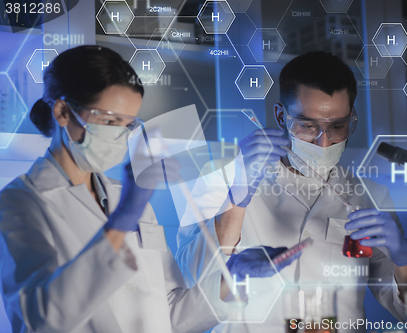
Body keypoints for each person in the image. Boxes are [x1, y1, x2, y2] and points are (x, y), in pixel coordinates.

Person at [0, 45, 299, 333]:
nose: (120, 134)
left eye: (129, 124)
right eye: (110, 120)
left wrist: (234, 276)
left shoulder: (127, 197)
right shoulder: (18, 203)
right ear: (63, 112)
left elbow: (169, 312)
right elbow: (41, 320)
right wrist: (125, 216)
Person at [176, 51, 407, 332]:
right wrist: (237, 198)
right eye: (307, 125)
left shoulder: (370, 196)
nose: (323, 141)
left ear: (352, 119)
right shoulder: (222, 176)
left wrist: (404, 259)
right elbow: (191, 280)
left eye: (337, 127)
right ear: (281, 117)